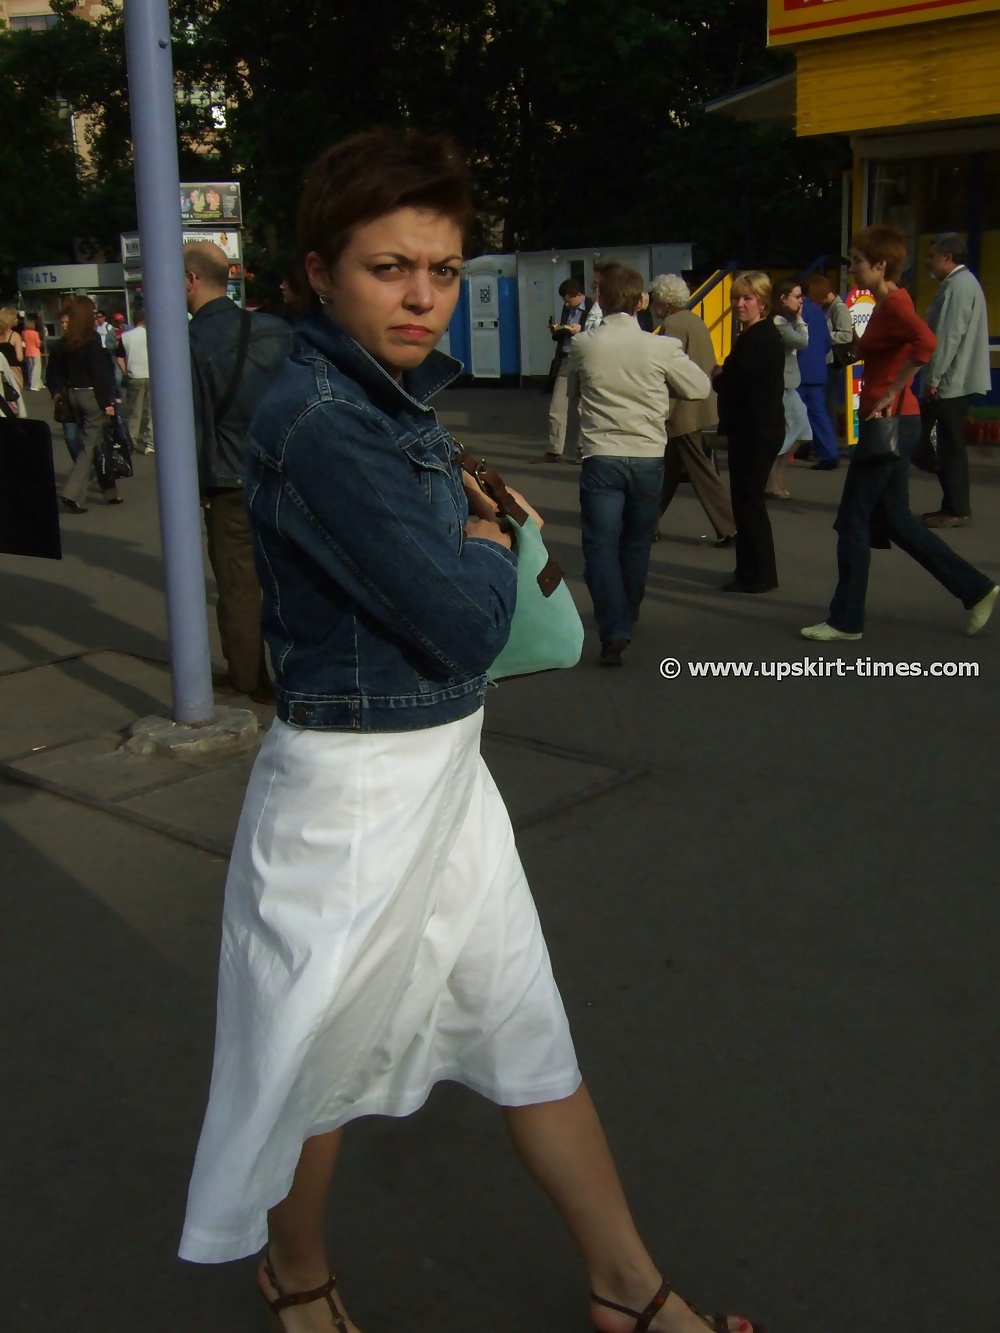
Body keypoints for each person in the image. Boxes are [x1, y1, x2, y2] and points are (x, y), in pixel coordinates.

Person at [178, 129, 758, 1333]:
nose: (422, 295)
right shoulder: (322, 417)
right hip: (349, 801)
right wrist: (490, 547)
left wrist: (465, 514)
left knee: (523, 1023)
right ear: (318, 272)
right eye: (389, 267)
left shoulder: (381, 397)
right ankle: (293, 1274)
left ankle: (626, 1288)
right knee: (310, 1071)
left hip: (446, 779)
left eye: (440, 269)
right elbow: (454, 620)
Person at [801, 225, 997, 642]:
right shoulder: (893, 300)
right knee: (898, 520)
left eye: (856, 261)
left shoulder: (894, 304)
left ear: (879, 264)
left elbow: (925, 342)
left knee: (852, 522)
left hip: (887, 424)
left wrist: (894, 389)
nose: (851, 268)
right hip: (895, 422)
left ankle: (846, 620)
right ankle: (976, 588)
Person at [569, 263, 711, 665]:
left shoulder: (585, 345)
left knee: (600, 544)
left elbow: (574, 389)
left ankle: (613, 625)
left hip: (601, 454)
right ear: (642, 301)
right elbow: (700, 387)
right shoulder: (660, 346)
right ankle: (627, 614)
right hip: (649, 454)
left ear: (600, 299)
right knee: (635, 542)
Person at [185, 240, 293, 703]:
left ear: (189, 280)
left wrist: (195, 489)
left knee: (239, 587)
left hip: (230, 482)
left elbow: (195, 425)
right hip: (288, 475)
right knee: (292, 580)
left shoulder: (190, 343)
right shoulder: (274, 329)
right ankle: (304, 673)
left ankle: (249, 679)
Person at [712, 271, 785, 593]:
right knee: (746, 501)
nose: (739, 304)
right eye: (736, 298)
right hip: (756, 428)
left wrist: (720, 375)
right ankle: (750, 571)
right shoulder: (756, 335)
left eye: (747, 298)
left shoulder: (759, 338)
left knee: (749, 502)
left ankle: (758, 574)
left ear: (763, 302)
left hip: (756, 430)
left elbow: (735, 383)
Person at [649, 273, 734, 547]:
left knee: (699, 470)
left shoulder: (672, 325)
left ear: (663, 301)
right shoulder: (695, 320)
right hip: (700, 403)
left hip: (682, 409)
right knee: (672, 469)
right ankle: (647, 522)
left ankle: (730, 526)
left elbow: (670, 370)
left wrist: (661, 410)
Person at [920, 231, 992, 528]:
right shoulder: (961, 284)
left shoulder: (959, 287)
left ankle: (956, 508)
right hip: (955, 377)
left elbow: (948, 336)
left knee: (946, 445)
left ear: (948, 258)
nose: (928, 263)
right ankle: (953, 506)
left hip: (952, 380)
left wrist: (934, 377)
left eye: (932, 256)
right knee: (948, 443)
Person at [57, 295, 122, 513]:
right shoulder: (92, 339)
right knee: (90, 446)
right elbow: (100, 374)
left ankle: (110, 491)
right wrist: (107, 402)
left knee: (96, 443)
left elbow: (57, 372)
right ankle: (72, 494)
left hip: (73, 394)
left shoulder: (65, 342)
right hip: (91, 396)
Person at [535, 277, 591, 464]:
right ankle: (554, 449)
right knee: (557, 406)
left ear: (579, 295)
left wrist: (581, 330)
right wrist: (558, 330)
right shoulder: (567, 309)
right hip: (566, 359)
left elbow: (598, 332)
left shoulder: (593, 308)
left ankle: (584, 449)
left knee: (583, 407)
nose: (566, 304)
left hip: (584, 360)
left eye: (569, 299)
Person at [765, 278, 811, 501]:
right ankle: (772, 480)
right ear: (783, 298)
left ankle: (777, 477)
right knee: (792, 431)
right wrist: (802, 320)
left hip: (790, 385)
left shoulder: (784, 321)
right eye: (796, 296)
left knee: (802, 432)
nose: (800, 301)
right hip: (782, 386)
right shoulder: (779, 322)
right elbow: (801, 342)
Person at [806, 274, 855, 444]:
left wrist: (824, 336)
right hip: (823, 361)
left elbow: (846, 335)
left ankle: (828, 442)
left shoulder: (839, 308)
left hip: (832, 362)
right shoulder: (825, 308)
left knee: (828, 405)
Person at [796, 289, 837, 470]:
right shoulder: (818, 312)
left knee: (789, 413)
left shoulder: (796, 312)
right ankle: (829, 453)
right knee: (818, 414)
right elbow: (828, 341)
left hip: (798, 369)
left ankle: (783, 452)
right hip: (817, 370)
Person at [45, 310, 84, 461]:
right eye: (62, 322)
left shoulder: (87, 342)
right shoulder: (58, 346)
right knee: (71, 437)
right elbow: (52, 372)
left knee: (90, 438)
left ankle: (89, 468)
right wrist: (55, 392)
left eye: (67, 322)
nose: (64, 325)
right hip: (66, 396)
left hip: (87, 394)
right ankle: (82, 467)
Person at [119, 308, 154, 454]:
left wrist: (125, 371)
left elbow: (119, 357)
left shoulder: (125, 336)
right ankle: (150, 442)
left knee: (135, 411)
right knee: (152, 412)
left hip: (134, 376)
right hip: (152, 376)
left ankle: (131, 440)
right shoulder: (153, 335)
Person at [0, 306, 26, 416]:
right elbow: (19, 357)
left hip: (0, 372)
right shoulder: (14, 336)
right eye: (15, 318)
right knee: (14, 397)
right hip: (13, 371)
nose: (17, 320)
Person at [22, 314, 43, 390]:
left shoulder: (24, 333)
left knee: (30, 368)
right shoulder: (35, 333)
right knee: (37, 369)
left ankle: (35, 382)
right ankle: (34, 385)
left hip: (28, 352)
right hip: (35, 352)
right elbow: (38, 344)